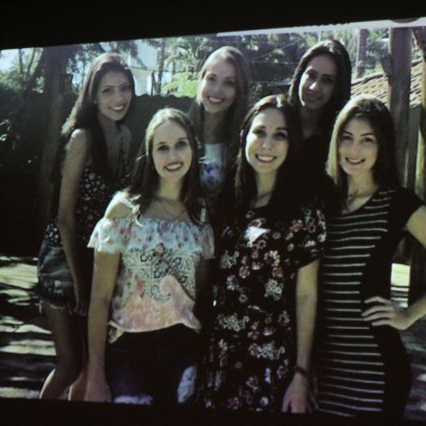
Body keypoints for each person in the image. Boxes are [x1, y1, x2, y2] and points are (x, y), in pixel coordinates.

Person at [315, 95, 426, 421]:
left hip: (374, 366)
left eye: (367, 140)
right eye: (347, 137)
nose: (354, 149)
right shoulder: (322, 202)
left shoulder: (398, 203)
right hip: (321, 367)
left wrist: (409, 315)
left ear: (382, 146)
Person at [200, 95, 326, 412]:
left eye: (279, 135)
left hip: (271, 360)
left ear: (291, 144)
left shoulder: (303, 212)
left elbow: (306, 296)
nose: (267, 144)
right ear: (245, 136)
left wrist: (301, 373)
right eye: (260, 132)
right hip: (220, 355)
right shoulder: (229, 202)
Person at [84, 108, 214, 407]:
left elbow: (202, 294)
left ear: (193, 148)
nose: (173, 155)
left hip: (183, 347)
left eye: (181, 144)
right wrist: (95, 374)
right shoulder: (123, 210)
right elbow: (100, 299)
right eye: (162, 147)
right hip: (129, 348)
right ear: (150, 154)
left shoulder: (201, 215)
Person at [36, 52, 135, 400]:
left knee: (93, 365)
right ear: (92, 96)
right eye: (107, 91)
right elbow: (64, 215)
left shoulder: (125, 137)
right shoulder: (82, 138)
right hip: (62, 259)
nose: (118, 98)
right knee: (70, 364)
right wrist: (80, 283)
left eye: (124, 88)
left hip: (97, 257)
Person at [287, 39, 352, 209]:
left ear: (338, 87)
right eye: (311, 75)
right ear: (300, 75)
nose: (315, 87)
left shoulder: (340, 141)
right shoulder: (276, 124)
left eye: (327, 80)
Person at [189, 46, 251, 203]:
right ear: (201, 80)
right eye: (211, 79)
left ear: (239, 90)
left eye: (229, 83)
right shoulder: (179, 129)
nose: (217, 90)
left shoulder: (247, 139)